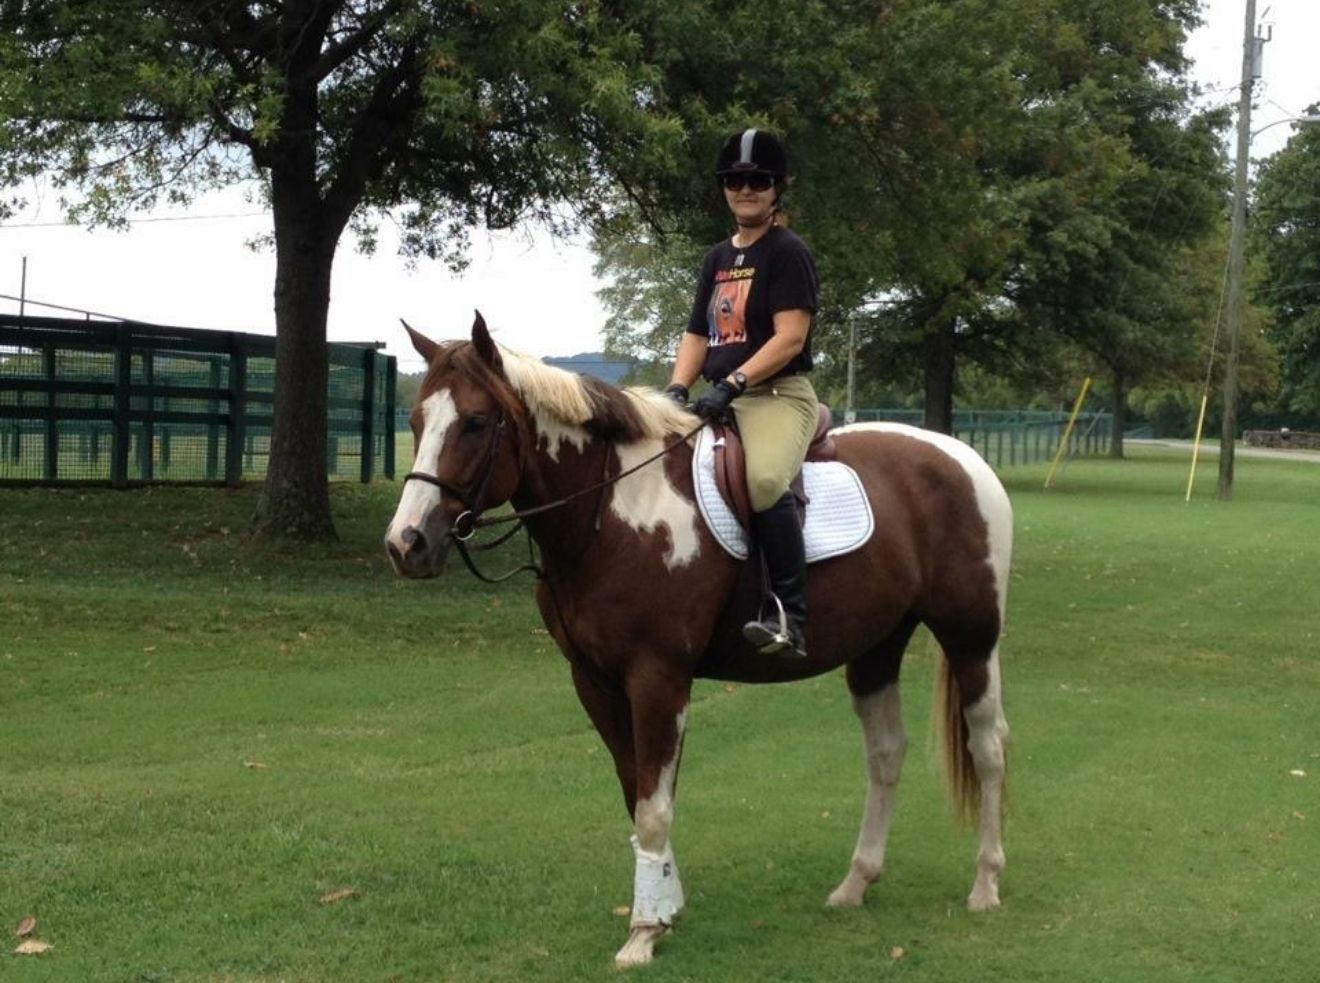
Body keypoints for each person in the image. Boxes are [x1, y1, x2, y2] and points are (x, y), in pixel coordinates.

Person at [664, 128, 820, 659]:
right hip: (719, 398)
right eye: (735, 180)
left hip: (777, 396)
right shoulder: (716, 259)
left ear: (777, 188)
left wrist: (732, 384)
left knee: (765, 480)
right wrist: (678, 388)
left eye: (757, 180)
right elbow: (695, 334)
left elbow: (790, 337)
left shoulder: (788, 252)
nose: (745, 189)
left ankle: (790, 617)